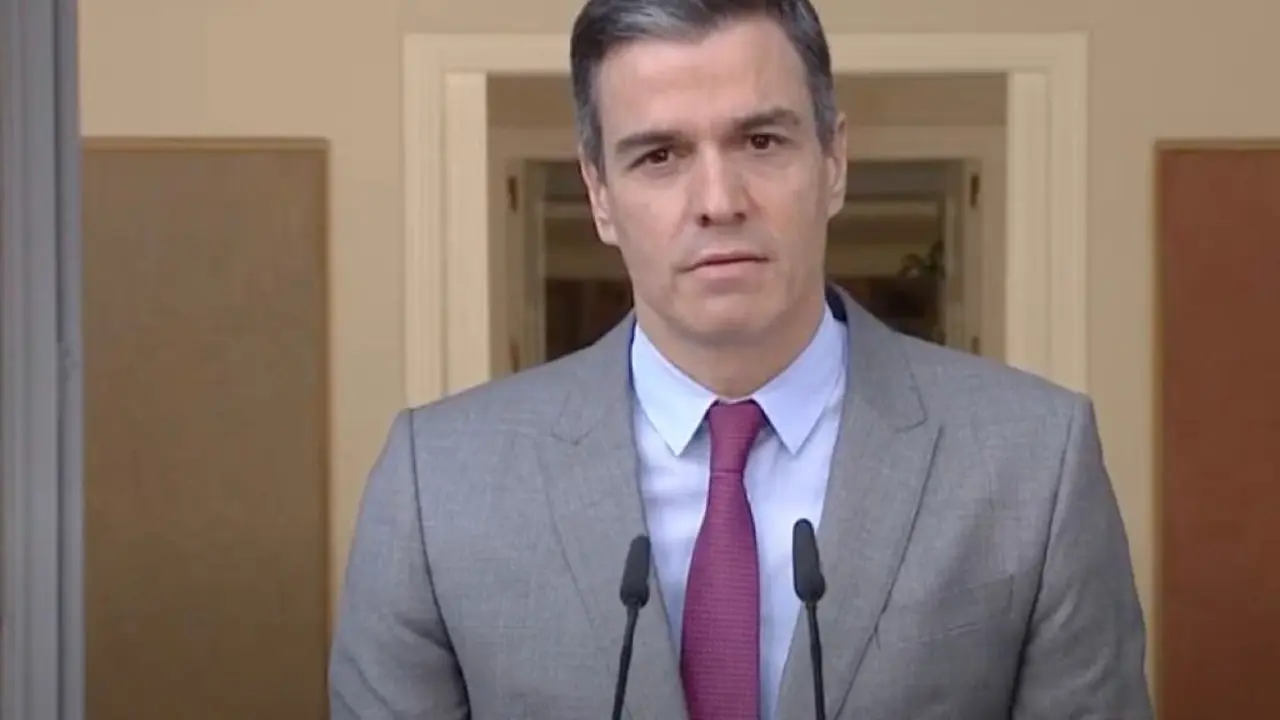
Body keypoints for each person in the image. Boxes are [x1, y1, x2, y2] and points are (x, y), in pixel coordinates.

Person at [328, 0, 1153, 717]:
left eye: (761, 140)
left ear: (833, 163)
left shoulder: (1036, 464)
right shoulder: (437, 486)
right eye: (659, 155)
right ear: (600, 196)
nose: (719, 202)